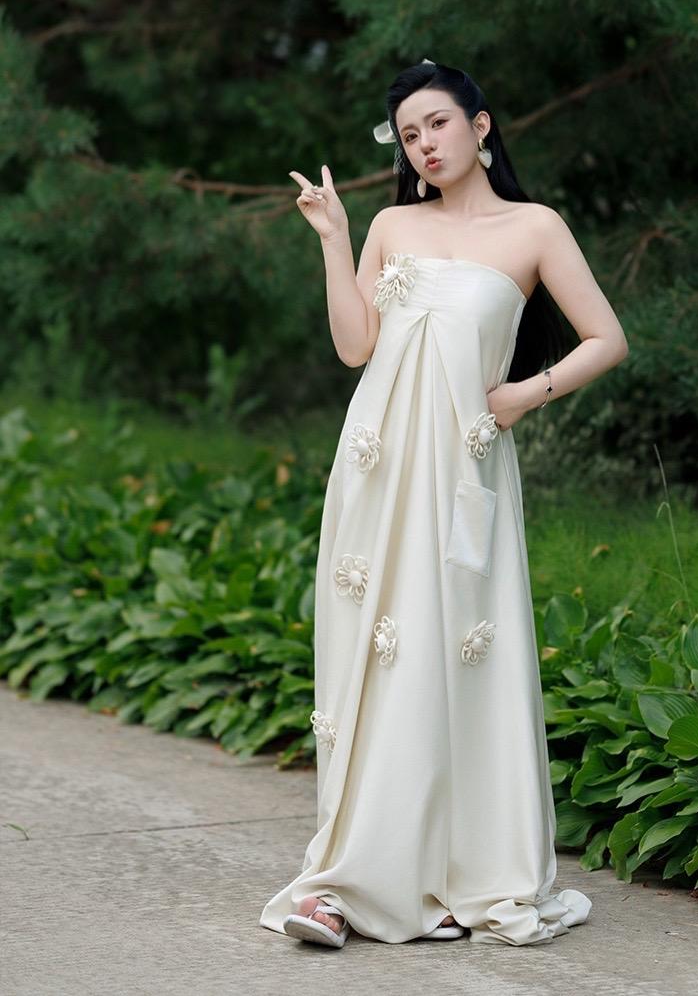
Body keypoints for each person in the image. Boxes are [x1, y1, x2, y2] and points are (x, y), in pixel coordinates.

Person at [260, 57, 629, 949]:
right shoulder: (393, 224)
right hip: (377, 469)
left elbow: (607, 338)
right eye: (409, 134)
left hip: (464, 471)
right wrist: (336, 239)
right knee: (372, 659)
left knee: (446, 656)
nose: (424, 144)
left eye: (438, 123)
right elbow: (355, 347)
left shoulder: (535, 228)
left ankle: (452, 874)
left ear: (480, 125)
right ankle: (347, 882)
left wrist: (523, 395)